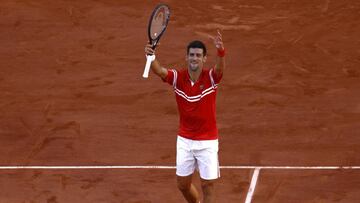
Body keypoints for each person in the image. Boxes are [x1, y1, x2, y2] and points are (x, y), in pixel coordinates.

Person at [144, 30, 225, 203]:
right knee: (182, 185)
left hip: (208, 140)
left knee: (208, 185)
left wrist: (220, 52)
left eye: (198, 55)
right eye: (191, 55)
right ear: (186, 57)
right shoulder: (178, 78)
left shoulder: (210, 78)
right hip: (185, 140)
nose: (194, 58)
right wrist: (150, 56)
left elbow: (219, 68)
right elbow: (159, 70)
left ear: (204, 59)